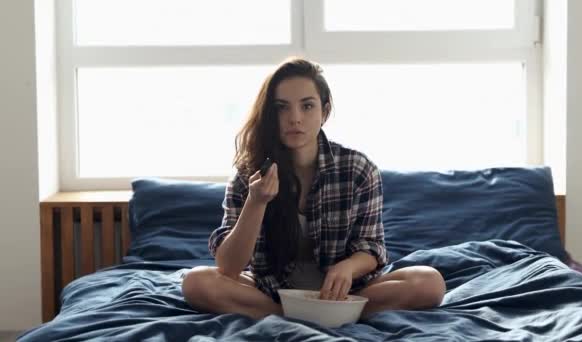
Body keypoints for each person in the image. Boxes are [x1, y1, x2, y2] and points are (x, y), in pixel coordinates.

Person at [182, 58, 446, 319]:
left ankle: (327, 312)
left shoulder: (358, 169)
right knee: (196, 282)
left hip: (346, 293)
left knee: (429, 283)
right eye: (281, 107)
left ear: (325, 111)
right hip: (272, 293)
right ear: (270, 115)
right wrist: (256, 201)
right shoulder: (248, 173)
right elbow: (228, 268)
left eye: (307, 106)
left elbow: (372, 247)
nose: (294, 118)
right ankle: (296, 315)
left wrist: (348, 267)